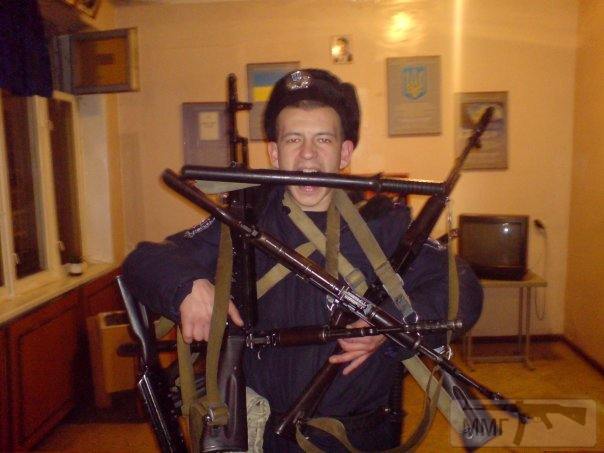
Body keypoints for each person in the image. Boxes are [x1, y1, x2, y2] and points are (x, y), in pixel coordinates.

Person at [123, 69, 483, 451]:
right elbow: (145, 261)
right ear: (274, 152)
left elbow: (462, 285)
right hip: (265, 437)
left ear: (344, 152)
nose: (307, 154)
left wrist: (392, 321)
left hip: (361, 439)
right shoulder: (243, 221)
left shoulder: (382, 225)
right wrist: (188, 287)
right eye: (293, 139)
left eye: (322, 139)